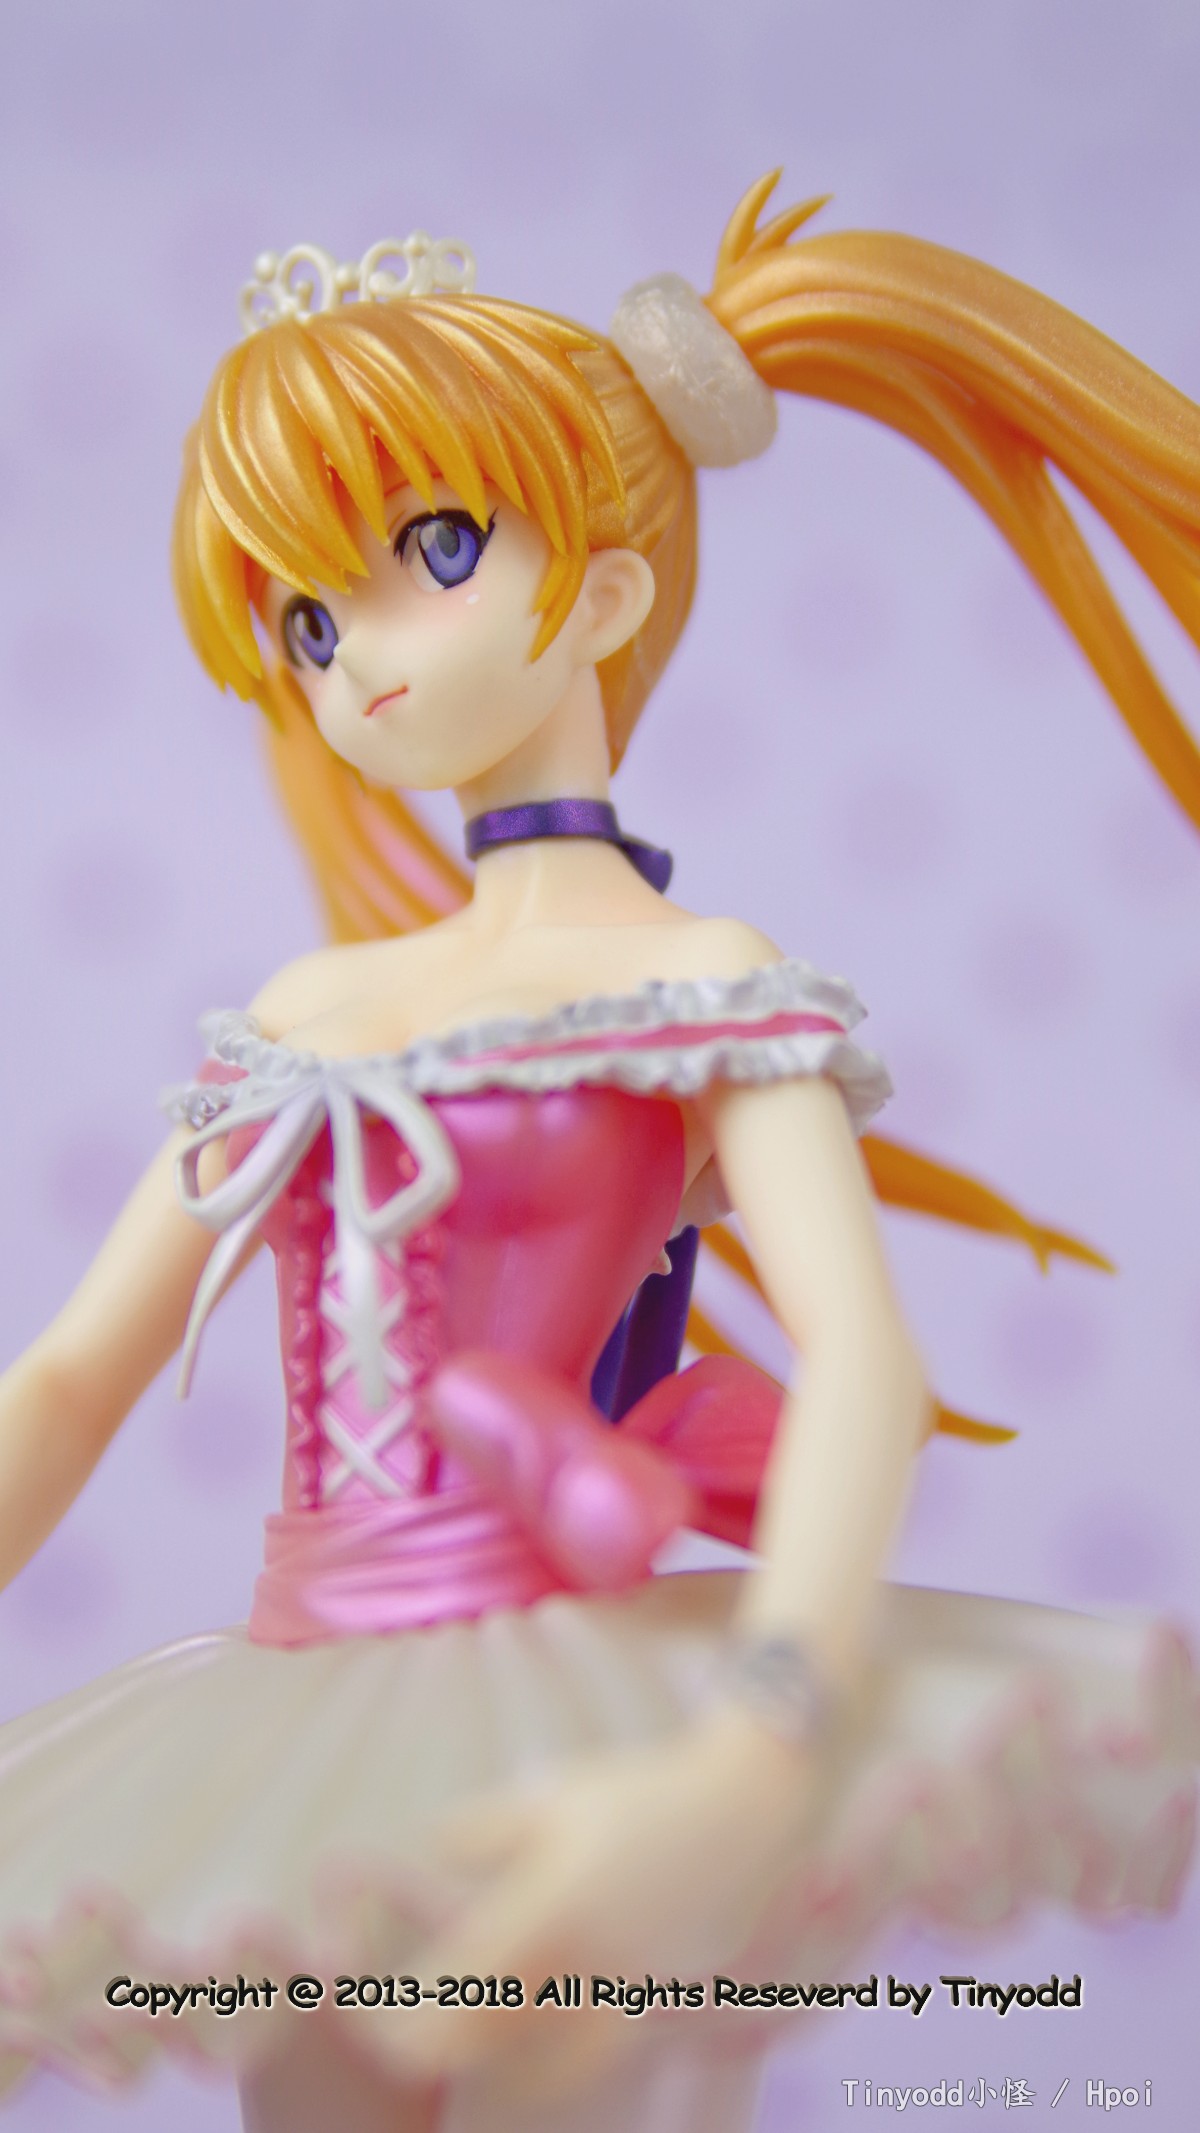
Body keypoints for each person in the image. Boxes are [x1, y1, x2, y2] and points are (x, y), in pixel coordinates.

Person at [0, 177, 1196, 2133]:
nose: (359, 656)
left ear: (611, 595)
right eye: (309, 618)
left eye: (433, 549)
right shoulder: (306, 1013)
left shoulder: (697, 978)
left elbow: (863, 1366)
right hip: (304, 1697)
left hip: (590, 1693)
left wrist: (758, 1741)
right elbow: (67, 1376)